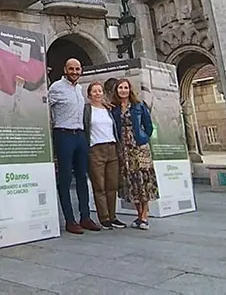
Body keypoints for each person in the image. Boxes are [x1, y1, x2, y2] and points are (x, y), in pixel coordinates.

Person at [48, 59, 101, 234]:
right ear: (65, 69)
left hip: (80, 135)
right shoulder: (56, 87)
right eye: (71, 69)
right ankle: (70, 220)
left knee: (82, 177)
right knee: (64, 178)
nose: (74, 71)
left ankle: (85, 217)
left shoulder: (79, 89)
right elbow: (45, 107)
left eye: (77, 69)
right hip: (63, 134)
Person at [109, 78, 158, 230]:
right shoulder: (115, 108)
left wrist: (143, 138)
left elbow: (148, 125)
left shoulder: (138, 106)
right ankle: (138, 215)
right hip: (123, 149)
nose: (123, 90)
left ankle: (144, 216)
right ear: (116, 90)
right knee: (131, 182)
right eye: (120, 88)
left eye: (125, 87)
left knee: (143, 180)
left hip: (139, 148)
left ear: (130, 89)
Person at [82, 82, 126, 230]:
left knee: (112, 185)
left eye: (100, 91)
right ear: (89, 94)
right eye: (94, 91)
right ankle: (104, 218)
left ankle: (113, 216)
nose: (97, 93)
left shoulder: (108, 109)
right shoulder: (86, 110)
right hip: (96, 150)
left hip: (112, 148)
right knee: (99, 186)